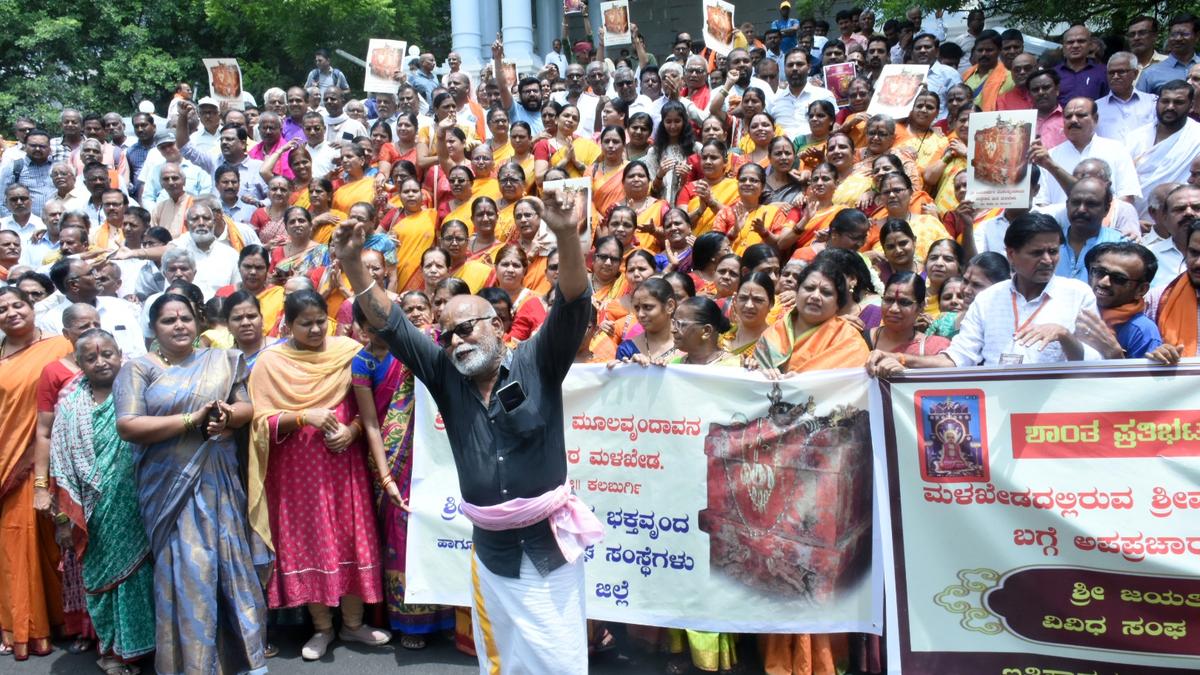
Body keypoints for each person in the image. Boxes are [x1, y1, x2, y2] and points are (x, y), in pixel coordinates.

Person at [329, 185, 601, 673]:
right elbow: (393, 325)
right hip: (493, 554)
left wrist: (566, 235)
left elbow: (573, 304)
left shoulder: (538, 361)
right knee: (507, 662)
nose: (455, 341)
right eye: (446, 334)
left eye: (466, 329)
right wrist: (353, 265)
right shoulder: (444, 376)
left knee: (558, 662)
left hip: (548, 551)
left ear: (497, 325)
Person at [114, 292, 267, 674]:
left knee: (230, 566)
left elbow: (246, 407)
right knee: (189, 572)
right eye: (169, 320)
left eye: (185, 318)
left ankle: (243, 661)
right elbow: (128, 425)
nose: (179, 325)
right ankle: (193, 664)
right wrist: (190, 420)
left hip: (218, 482)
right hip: (170, 489)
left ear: (198, 322)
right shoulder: (138, 369)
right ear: (154, 329)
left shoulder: (222, 360)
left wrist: (227, 416)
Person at [246, 290, 389, 660]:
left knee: (350, 536)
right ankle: (322, 628)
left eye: (320, 322)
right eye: (304, 323)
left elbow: (371, 407)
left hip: (344, 464)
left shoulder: (349, 352)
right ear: (287, 325)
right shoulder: (271, 362)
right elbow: (259, 421)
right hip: (296, 473)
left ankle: (353, 625)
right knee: (310, 540)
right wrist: (301, 417)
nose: (314, 329)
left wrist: (353, 431)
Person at [868, 212, 1104, 374]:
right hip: (998, 414)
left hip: (1055, 417)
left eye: (1053, 251)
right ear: (1011, 254)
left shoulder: (1077, 294)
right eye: (1037, 253)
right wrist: (901, 359)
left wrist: (1064, 335)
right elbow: (958, 359)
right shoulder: (988, 299)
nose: (1047, 260)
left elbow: (1096, 362)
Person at [48, 329, 155, 672]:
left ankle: (139, 649)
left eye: (107, 354)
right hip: (92, 512)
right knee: (99, 581)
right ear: (79, 363)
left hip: (138, 506)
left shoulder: (138, 393)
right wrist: (63, 519)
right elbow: (60, 464)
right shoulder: (69, 405)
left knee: (141, 576)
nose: (101, 362)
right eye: (91, 357)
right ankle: (111, 650)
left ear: (120, 353)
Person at [0, 287, 72, 660]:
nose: (11, 312)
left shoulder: (60, 346)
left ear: (32, 307)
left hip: (55, 457)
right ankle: (26, 625)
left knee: (54, 542)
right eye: (2, 309)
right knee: (16, 543)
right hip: (8, 461)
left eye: (18, 305)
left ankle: (65, 619)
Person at [1128, 80, 1200, 215]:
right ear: (1157, 103)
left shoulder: (1197, 136)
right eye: (1165, 101)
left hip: (1181, 217)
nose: (1170, 107)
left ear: (1191, 106)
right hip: (1133, 217)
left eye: (1178, 102)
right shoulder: (1135, 137)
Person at [1083, 242, 1162, 358]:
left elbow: (1141, 371)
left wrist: (1115, 354)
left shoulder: (1142, 331)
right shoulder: (1074, 311)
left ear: (1141, 290)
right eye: (1099, 272)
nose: (1104, 282)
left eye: (1119, 278)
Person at [867, 272, 951, 356]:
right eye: (888, 300)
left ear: (921, 307)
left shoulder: (934, 348)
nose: (893, 309)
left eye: (904, 302)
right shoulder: (863, 340)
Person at [1097, 52, 1160, 141]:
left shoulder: (1152, 102)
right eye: (1111, 73)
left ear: (1135, 74)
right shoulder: (1096, 108)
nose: (1115, 77)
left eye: (1121, 72)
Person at [1137, 14, 1200, 95]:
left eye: (1184, 34)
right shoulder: (1150, 73)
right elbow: (1139, 102)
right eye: (1173, 34)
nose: (1178, 38)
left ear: (1197, 36)